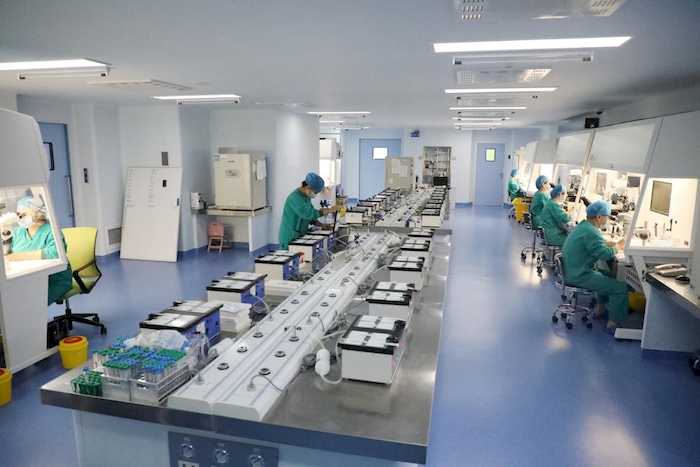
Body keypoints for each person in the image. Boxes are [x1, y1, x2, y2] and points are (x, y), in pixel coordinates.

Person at [561, 201, 628, 334]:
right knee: (620, 288)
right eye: (607, 217)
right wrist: (620, 244)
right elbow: (605, 254)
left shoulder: (585, 226)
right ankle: (612, 325)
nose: (608, 220)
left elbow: (599, 242)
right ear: (599, 217)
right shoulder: (591, 232)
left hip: (573, 270)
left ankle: (601, 310)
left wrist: (612, 243)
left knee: (608, 276)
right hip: (580, 275)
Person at [6, 196, 73, 305]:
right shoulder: (18, 232)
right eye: (17, 213)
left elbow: (56, 252)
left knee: (33, 304)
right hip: (27, 278)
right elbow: (10, 254)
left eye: (23, 213)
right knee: (12, 302)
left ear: (37, 214)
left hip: (54, 280)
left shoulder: (51, 230)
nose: (19, 217)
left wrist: (22, 256)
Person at [279, 173, 342, 249]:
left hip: (299, 235)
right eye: (315, 192)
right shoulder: (295, 198)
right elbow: (308, 214)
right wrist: (329, 210)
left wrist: (322, 225)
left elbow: (311, 217)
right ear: (308, 187)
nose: (315, 194)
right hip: (289, 237)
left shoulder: (306, 197)